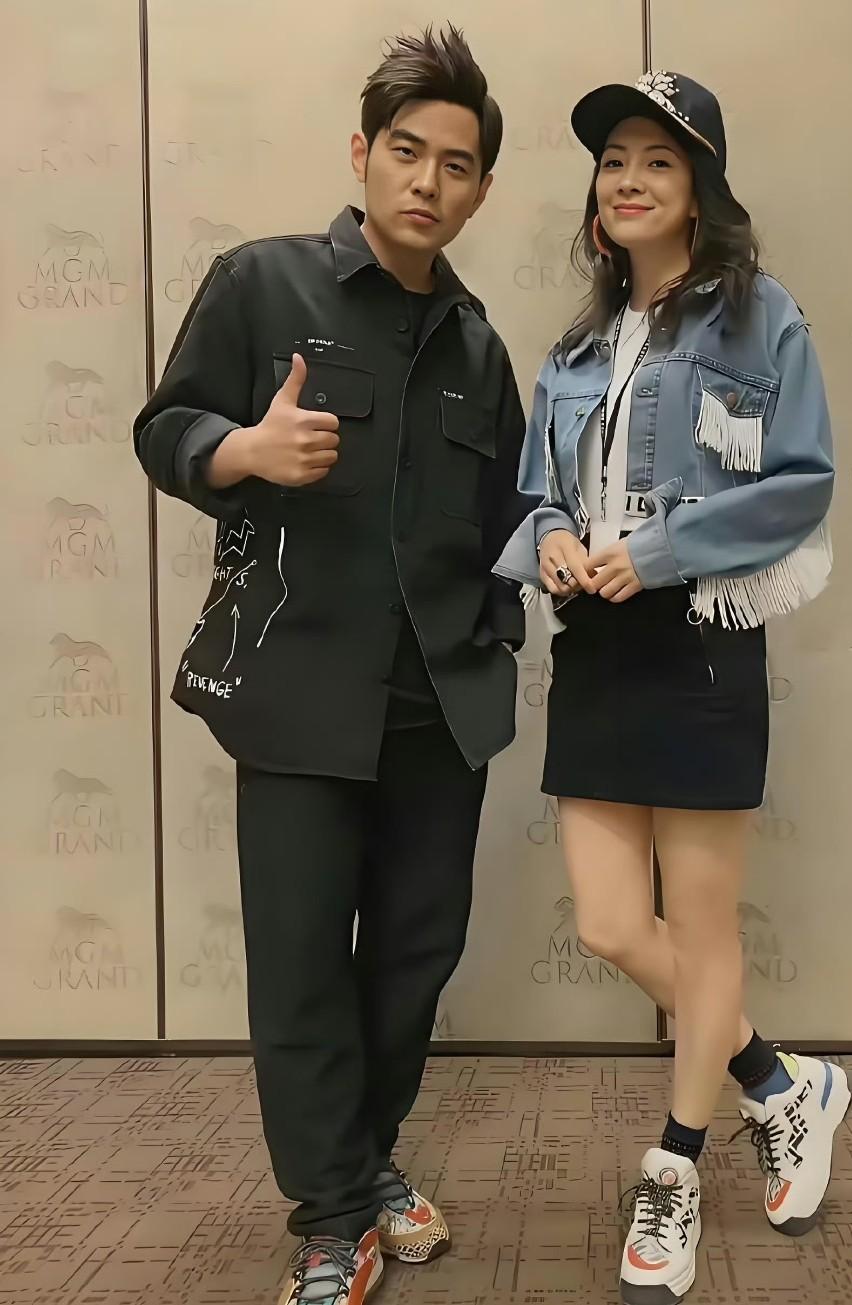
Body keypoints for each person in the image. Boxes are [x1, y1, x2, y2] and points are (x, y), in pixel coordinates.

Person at [134, 27, 533, 1305]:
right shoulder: (260, 285)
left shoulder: (480, 348)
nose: (427, 180)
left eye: (456, 165)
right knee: (302, 961)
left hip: (440, 709)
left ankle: (363, 1162)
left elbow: (506, 524)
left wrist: (502, 638)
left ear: (480, 190)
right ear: (362, 153)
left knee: (413, 961)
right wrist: (244, 453)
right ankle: (332, 1216)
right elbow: (164, 426)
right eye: (406, 151)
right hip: (299, 695)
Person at [495, 70, 852, 1304]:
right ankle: (781, 1083)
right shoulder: (575, 351)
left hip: (699, 639)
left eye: (659, 159)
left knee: (702, 932)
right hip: (595, 648)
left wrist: (653, 551)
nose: (630, 179)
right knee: (609, 924)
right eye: (613, 162)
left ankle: (677, 1164)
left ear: (701, 188)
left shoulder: (761, 319)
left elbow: (800, 483)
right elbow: (536, 491)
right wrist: (550, 537)